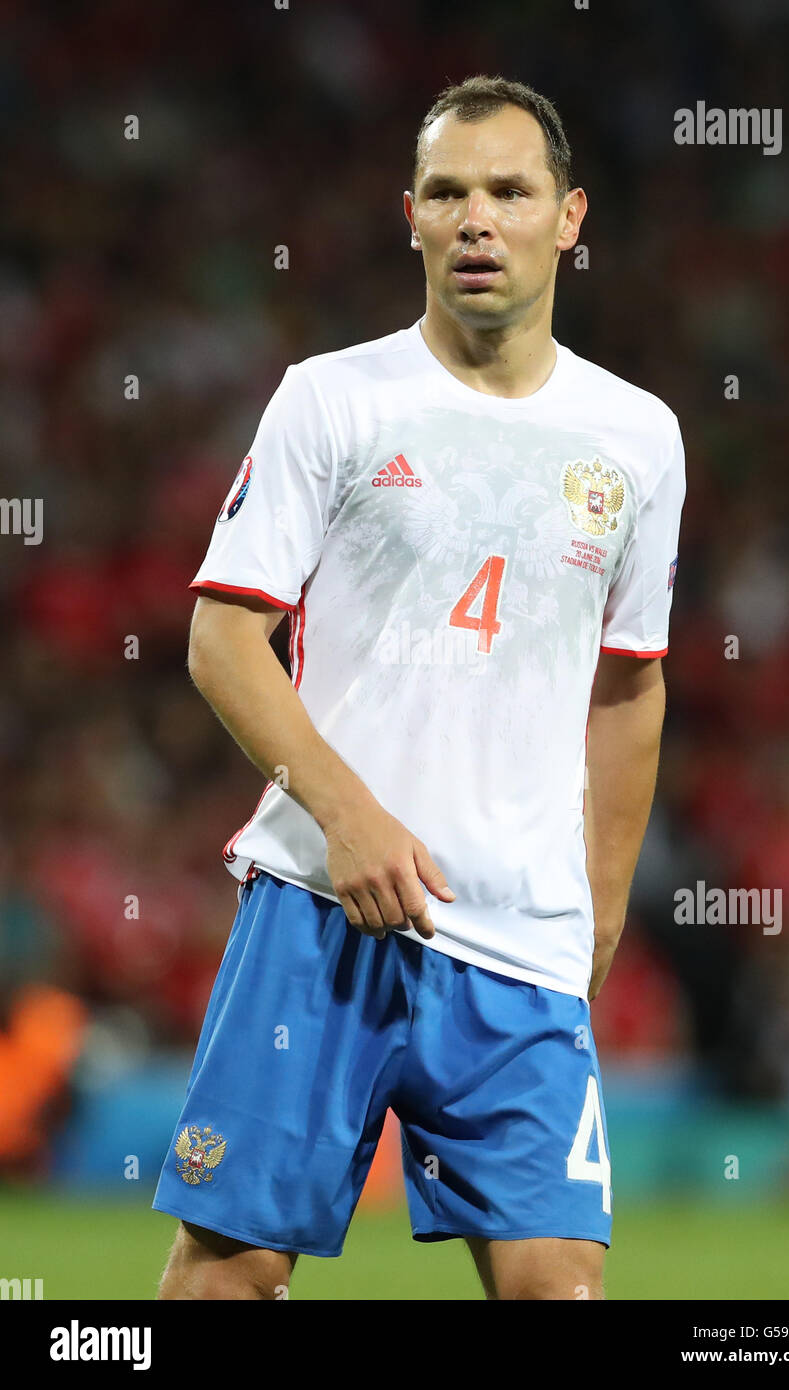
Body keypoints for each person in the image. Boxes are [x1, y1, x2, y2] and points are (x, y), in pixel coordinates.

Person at [153, 74, 686, 1301]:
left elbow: (629, 686)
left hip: (520, 944)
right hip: (318, 916)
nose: (475, 218)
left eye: (509, 190)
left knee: (558, 1287)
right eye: (446, 193)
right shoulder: (333, 397)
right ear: (410, 215)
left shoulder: (639, 436)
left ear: (570, 217)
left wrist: (596, 914)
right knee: (227, 1279)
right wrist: (349, 816)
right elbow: (221, 639)